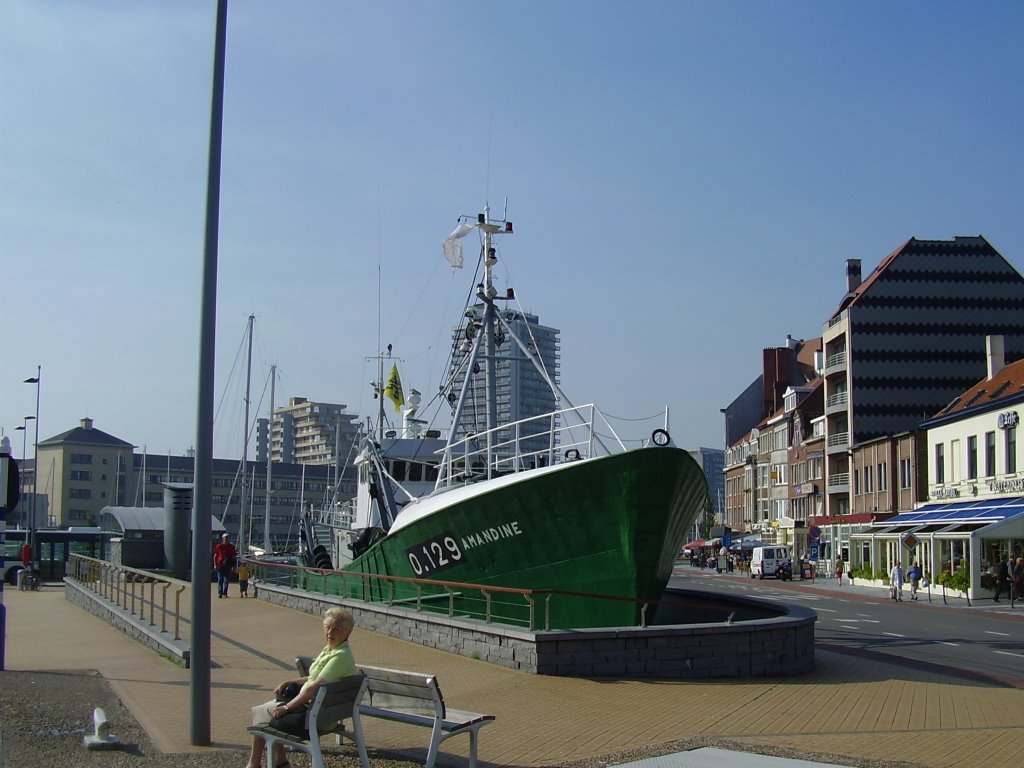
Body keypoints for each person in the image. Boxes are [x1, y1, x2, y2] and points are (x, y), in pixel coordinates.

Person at [244, 607, 356, 768]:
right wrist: (292, 681)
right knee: (268, 709)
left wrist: (287, 707)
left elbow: (313, 687)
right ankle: (279, 762)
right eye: (327, 628)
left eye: (335, 629)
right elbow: (313, 679)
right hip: (323, 711)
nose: (329, 633)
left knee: (261, 712)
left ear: (347, 632)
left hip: (317, 718)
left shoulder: (340, 656)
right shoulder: (333, 650)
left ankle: (256, 764)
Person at [213, 533, 237, 598]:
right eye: (225, 538)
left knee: (226, 580)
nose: (226, 539)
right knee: (220, 579)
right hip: (220, 565)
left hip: (228, 565)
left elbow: (234, 557)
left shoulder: (231, 547)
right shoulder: (219, 546)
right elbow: (215, 555)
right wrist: (215, 564)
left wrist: (234, 566)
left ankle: (225, 593)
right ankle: (220, 593)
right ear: (223, 539)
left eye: (227, 538)